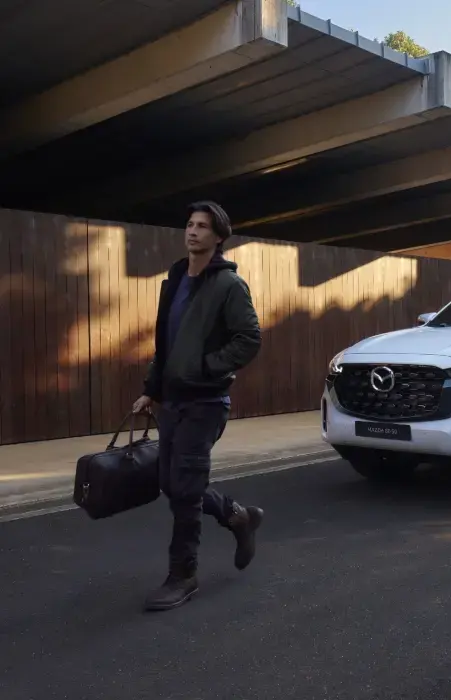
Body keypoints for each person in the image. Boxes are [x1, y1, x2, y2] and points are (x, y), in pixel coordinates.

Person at [132, 201, 263, 612]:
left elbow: (249, 338)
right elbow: (165, 345)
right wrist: (152, 389)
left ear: (218, 237)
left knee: (185, 491)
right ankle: (238, 517)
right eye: (189, 225)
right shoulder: (173, 280)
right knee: (171, 485)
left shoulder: (228, 285)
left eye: (202, 227)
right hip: (172, 401)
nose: (192, 232)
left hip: (206, 402)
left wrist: (207, 368)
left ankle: (183, 575)